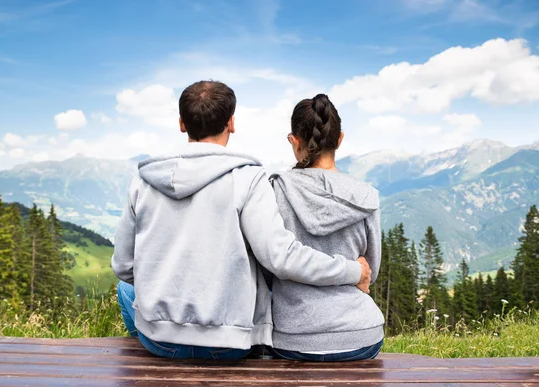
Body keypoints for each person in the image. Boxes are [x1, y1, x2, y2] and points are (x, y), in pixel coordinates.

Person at [111, 81, 372, 360]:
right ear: (231, 123)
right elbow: (280, 258)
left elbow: (124, 266)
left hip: (159, 341)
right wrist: (352, 271)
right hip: (228, 344)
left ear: (181, 123)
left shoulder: (144, 179)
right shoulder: (248, 178)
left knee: (125, 290)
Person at [268, 94, 385, 362]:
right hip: (361, 337)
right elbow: (370, 272)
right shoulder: (365, 196)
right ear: (340, 139)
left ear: (294, 141)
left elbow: (268, 266)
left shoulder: (276, 191)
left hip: (293, 339)